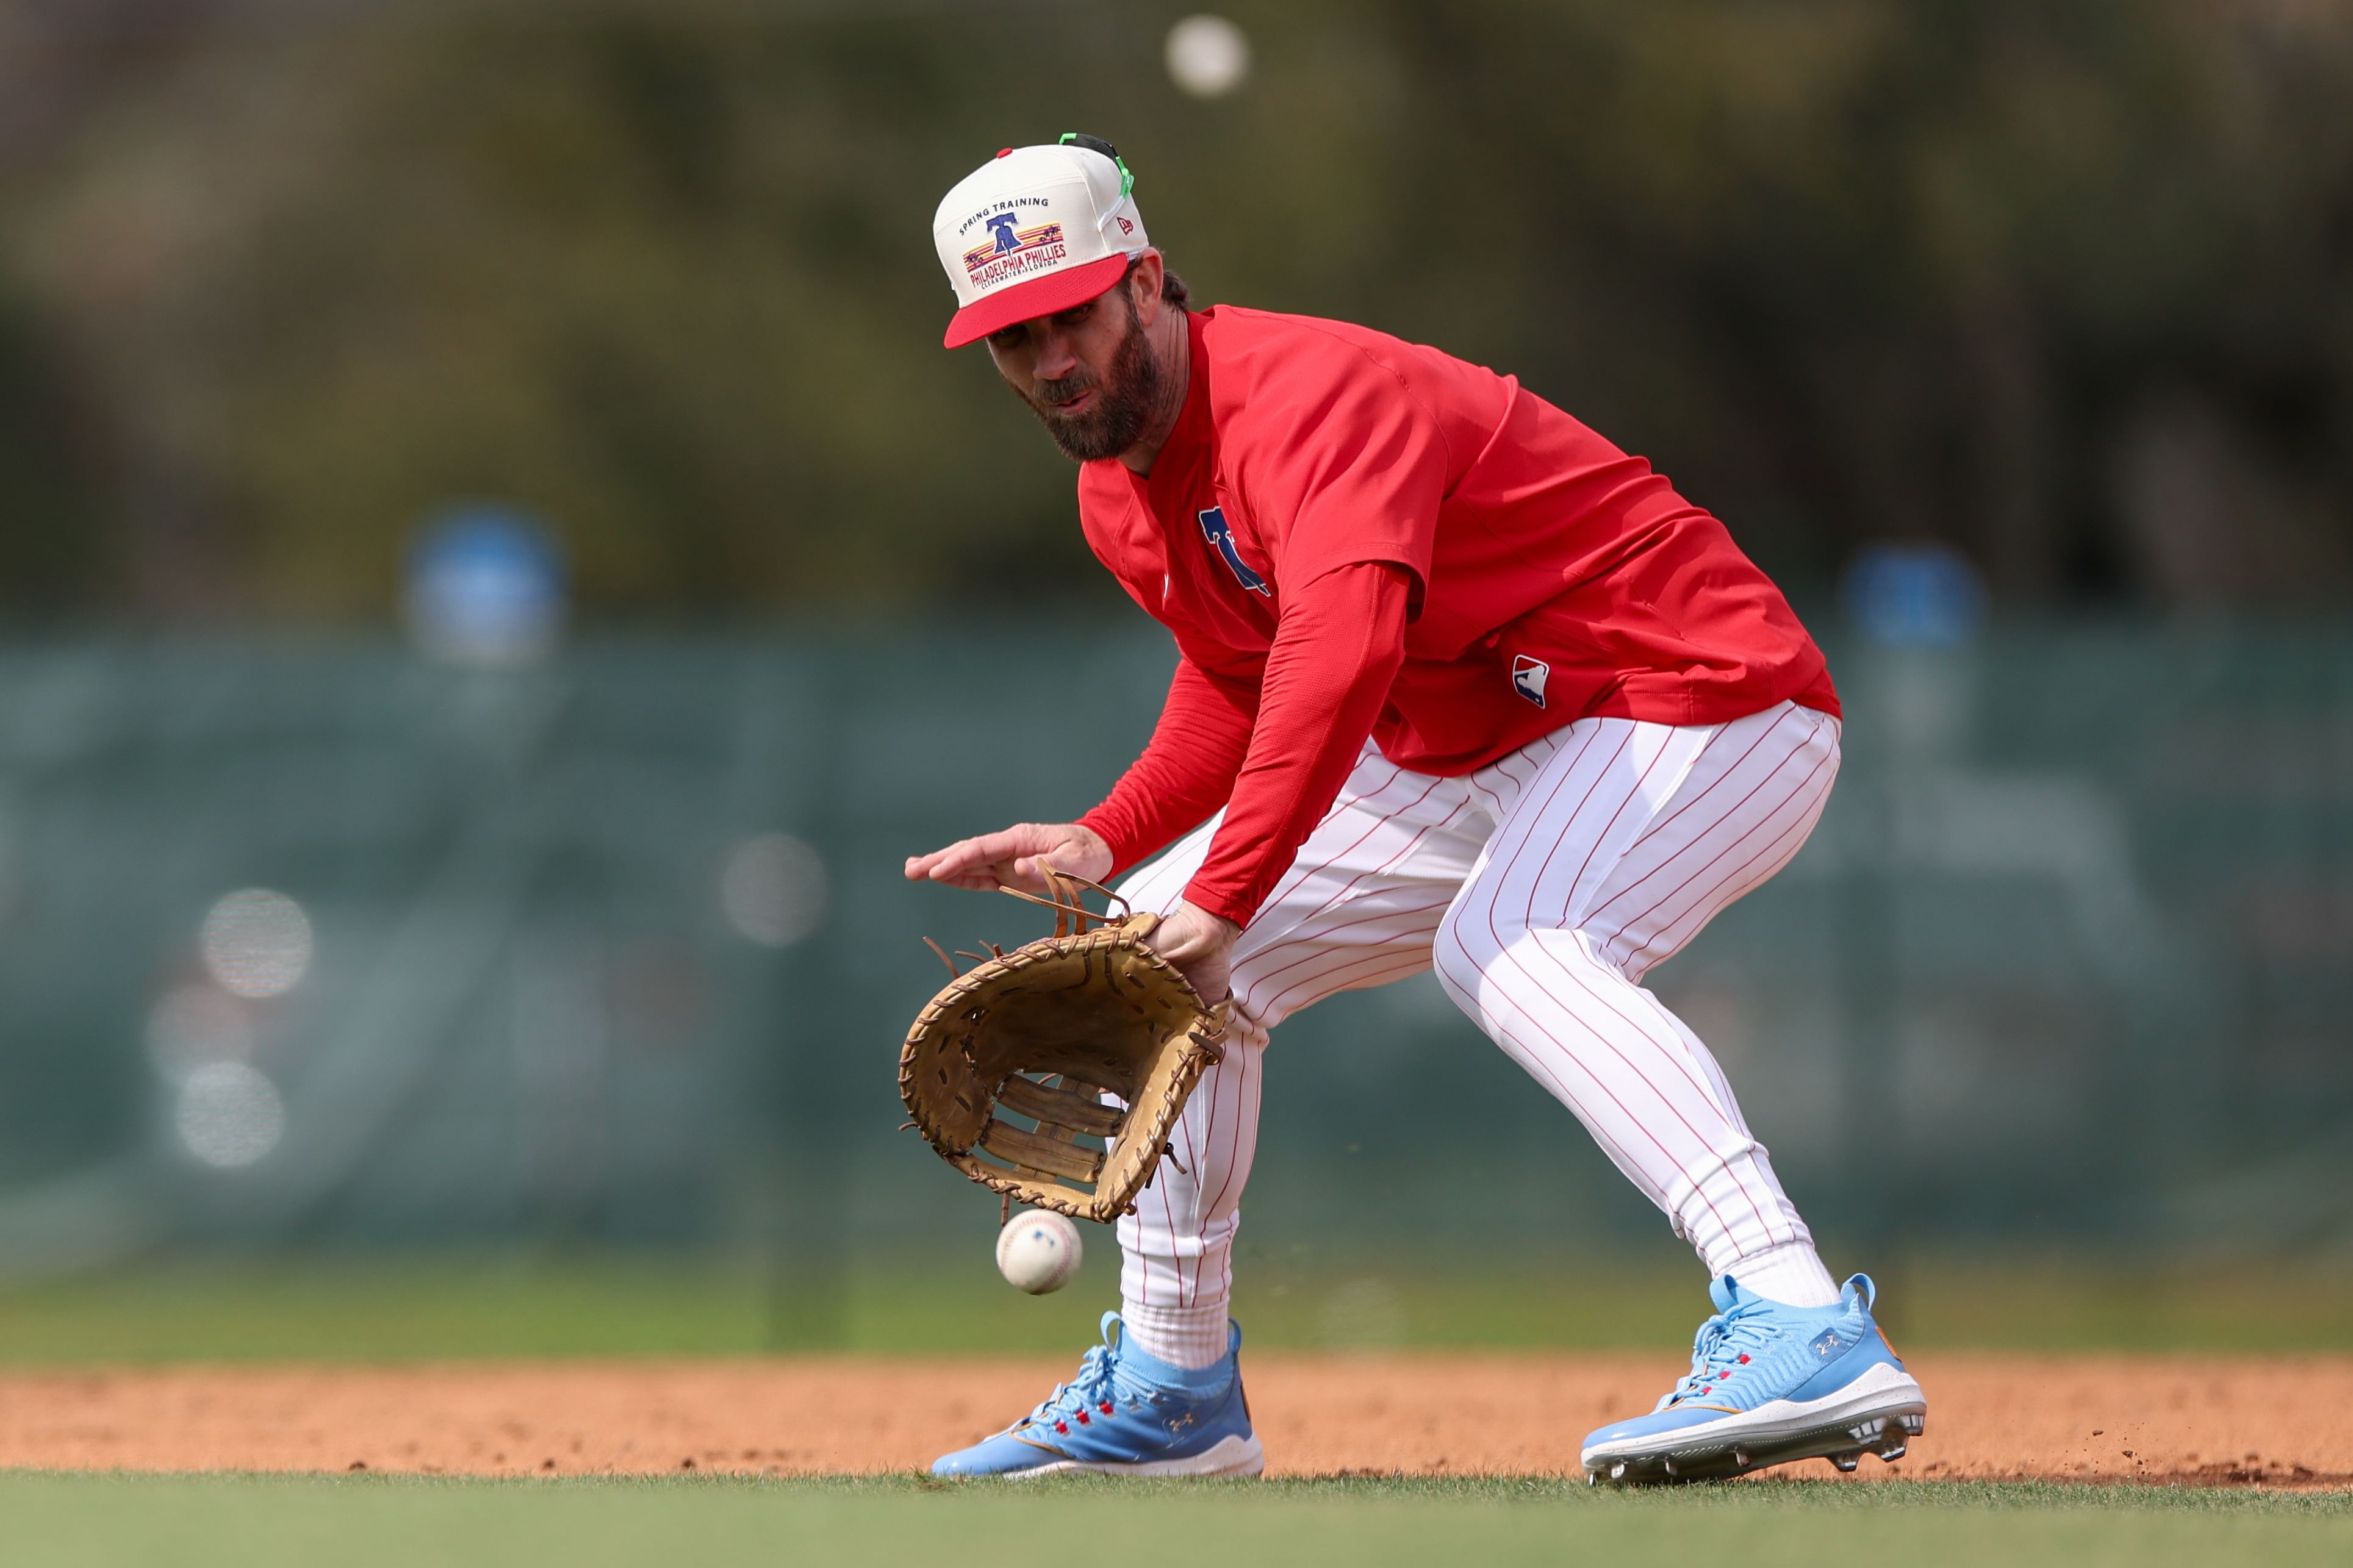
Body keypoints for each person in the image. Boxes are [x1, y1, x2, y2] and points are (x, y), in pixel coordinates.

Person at [906, 135, 1927, 1483]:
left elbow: (1341, 652)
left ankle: (1797, 1313)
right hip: (1486, 737)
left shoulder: (1314, 397)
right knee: (1154, 953)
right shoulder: (1119, 493)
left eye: (1070, 315)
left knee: (1513, 939)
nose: (1049, 362)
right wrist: (1115, 835)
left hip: (1698, 688)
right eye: (1013, 339)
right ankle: (1172, 1387)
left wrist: (1229, 894)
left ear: (1146, 279)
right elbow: (1241, 675)